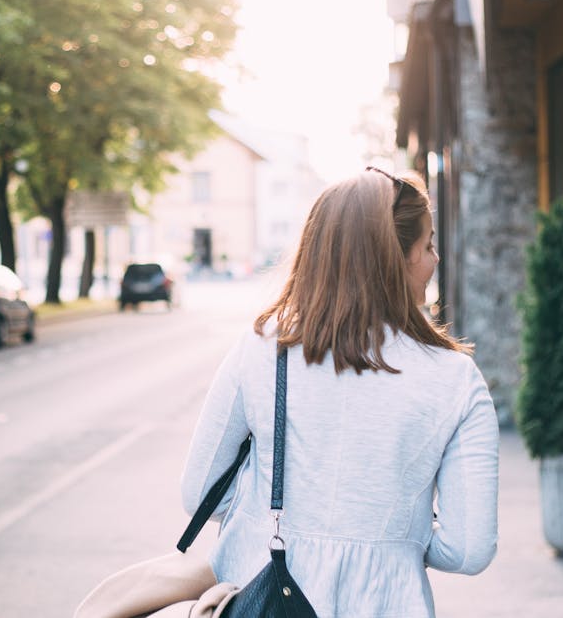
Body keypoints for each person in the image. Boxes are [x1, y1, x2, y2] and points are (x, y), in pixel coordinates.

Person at [181, 167, 499, 617]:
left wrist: (277, 520)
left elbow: (200, 494)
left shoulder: (264, 349)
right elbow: (468, 549)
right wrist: (392, 533)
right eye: (427, 245)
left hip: (263, 591)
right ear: (395, 258)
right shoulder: (455, 379)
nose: (435, 259)